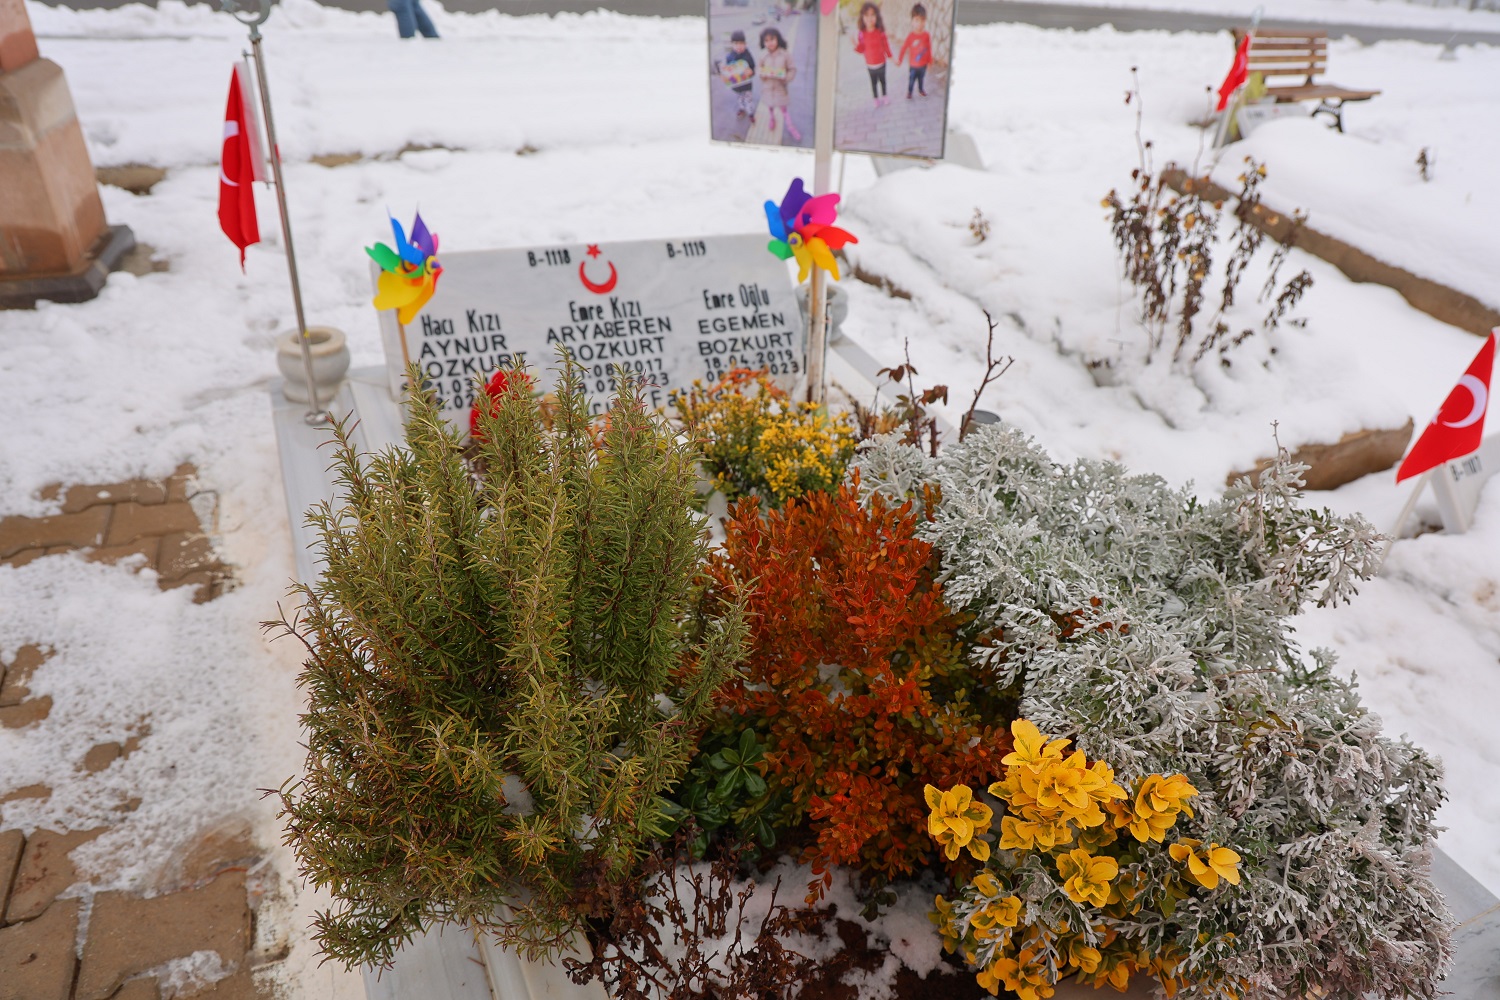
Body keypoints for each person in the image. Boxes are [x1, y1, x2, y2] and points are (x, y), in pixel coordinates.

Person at [759, 27, 802, 141]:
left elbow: (792, 69)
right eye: (766, 40)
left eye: (772, 39)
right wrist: (762, 75)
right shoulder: (763, 55)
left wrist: (785, 78)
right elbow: (759, 68)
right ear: (763, 42)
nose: (770, 43)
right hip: (768, 89)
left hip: (780, 89)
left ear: (778, 39)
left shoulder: (785, 55)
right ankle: (772, 118)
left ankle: (790, 127)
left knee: (784, 110)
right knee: (770, 106)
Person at [853, 3, 893, 108]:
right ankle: (875, 99)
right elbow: (861, 49)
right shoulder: (861, 34)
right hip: (870, 65)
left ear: (877, 16)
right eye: (867, 15)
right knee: (873, 83)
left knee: (883, 81)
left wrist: (891, 57)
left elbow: (886, 46)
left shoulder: (880, 31)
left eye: (872, 15)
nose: (870, 18)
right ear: (862, 17)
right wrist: (854, 44)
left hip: (882, 63)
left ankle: (885, 96)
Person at [897, 3, 932, 99]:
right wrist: (900, 60)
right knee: (911, 79)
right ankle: (910, 92)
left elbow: (929, 48)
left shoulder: (926, 35)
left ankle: (921, 90)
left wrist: (929, 62)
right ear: (912, 21)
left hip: (923, 65)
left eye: (922, 20)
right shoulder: (910, 36)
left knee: (921, 79)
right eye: (917, 20)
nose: (920, 23)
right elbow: (903, 48)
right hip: (913, 65)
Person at [724, 30, 758, 121]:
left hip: (747, 85)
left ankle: (750, 112)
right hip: (736, 85)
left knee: (748, 99)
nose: (739, 46)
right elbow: (727, 71)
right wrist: (726, 76)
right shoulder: (729, 57)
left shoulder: (748, 56)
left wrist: (751, 72)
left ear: (745, 44)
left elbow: (753, 67)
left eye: (741, 43)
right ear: (731, 44)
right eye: (736, 43)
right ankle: (742, 109)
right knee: (739, 98)